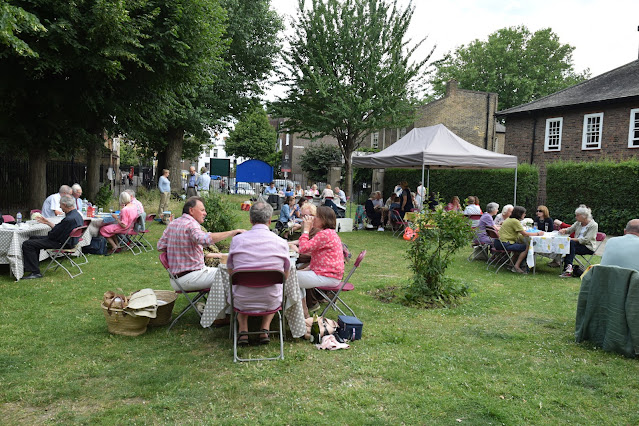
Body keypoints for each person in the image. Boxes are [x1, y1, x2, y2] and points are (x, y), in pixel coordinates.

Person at [227, 202, 290, 346]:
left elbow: (230, 272)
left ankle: (243, 329)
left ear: (250, 219)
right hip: (271, 300)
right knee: (276, 287)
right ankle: (264, 329)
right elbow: (285, 277)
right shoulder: (281, 243)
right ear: (269, 221)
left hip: (242, 300)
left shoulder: (237, 241)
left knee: (237, 286)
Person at [157, 196, 245, 292]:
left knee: (226, 271)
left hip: (176, 280)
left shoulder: (173, 224)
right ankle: (227, 306)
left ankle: (217, 304)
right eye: (202, 210)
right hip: (192, 277)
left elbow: (160, 246)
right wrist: (231, 233)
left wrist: (180, 250)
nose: (205, 213)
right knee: (233, 274)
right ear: (191, 210)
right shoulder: (191, 224)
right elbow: (204, 240)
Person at [297, 206, 344, 318]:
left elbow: (303, 249)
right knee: (294, 278)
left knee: (288, 278)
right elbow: (317, 259)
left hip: (328, 277)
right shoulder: (328, 233)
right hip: (330, 276)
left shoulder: (325, 234)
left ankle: (301, 313)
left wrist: (306, 230)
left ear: (323, 219)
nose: (313, 219)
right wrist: (304, 270)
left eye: (316, 217)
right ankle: (304, 313)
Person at [22, 195, 83, 280]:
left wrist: (51, 233)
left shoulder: (68, 219)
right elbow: (59, 229)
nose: (60, 207)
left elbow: (53, 235)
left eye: (60, 205)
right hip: (71, 242)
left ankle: (35, 272)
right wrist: (47, 222)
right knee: (33, 238)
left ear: (65, 204)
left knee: (28, 244)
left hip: (62, 243)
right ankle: (32, 266)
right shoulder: (77, 215)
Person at [498, 206, 545, 274]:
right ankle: (516, 266)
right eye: (524, 213)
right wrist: (538, 233)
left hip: (500, 242)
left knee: (519, 245)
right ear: (519, 214)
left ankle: (511, 264)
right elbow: (525, 234)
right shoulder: (515, 221)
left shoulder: (509, 219)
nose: (525, 215)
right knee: (527, 247)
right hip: (506, 243)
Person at [558, 205, 599, 278]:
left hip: (588, 247)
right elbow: (570, 229)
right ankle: (566, 266)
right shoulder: (578, 223)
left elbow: (586, 240)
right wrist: (564, 230)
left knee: (570, 244)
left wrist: (572, 239)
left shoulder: (594, 225)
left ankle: (567, 268)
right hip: (576, 245)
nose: (575, 217)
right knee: (569, 244)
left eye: (577, 215)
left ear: (584, 216)